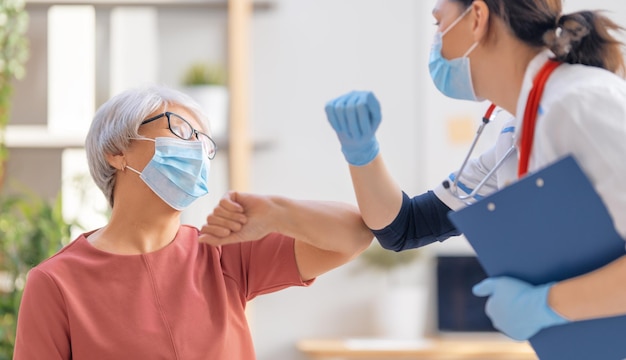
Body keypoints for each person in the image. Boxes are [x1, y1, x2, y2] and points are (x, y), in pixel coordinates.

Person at [324, 0, 626, 341]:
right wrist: (361, 151)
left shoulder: (581, 103)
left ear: (477, 17)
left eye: (439, 23)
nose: (437, 40)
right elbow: (404, 227)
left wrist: (546, 304)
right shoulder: (515, 136)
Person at [13, 85, 373, 359]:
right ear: (117, 153)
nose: (198, 149)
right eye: (182, 131)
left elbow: (356, 233)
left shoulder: (223, 253)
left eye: (204, 141)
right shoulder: (56, 283)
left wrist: (277, 212)